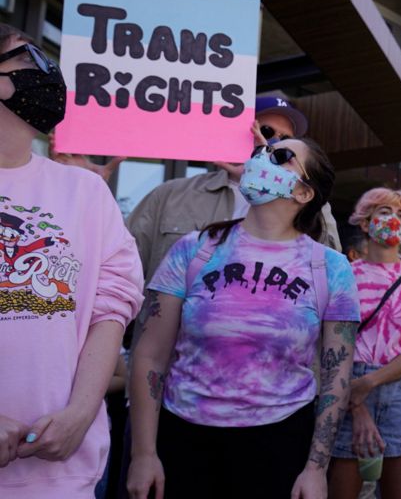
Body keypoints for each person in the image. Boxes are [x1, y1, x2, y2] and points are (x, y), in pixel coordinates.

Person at [126, 137, 359, 498]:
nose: (262, 157)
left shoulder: (330, 267)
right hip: (183, 439)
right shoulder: (193, 248)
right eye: (260, 152)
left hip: (279, 443)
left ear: (303, 193)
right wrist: (143, 454)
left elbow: (336, 377)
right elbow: (150, 354)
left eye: (280, 157)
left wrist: (316, 469)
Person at [0, 24, 145, 498]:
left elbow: (112, 305)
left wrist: (81, 413)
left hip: (59, 472)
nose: (47, 74)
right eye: (29, 60)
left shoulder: (85, 192)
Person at [125, 95, 339, 281]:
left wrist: (304, 194)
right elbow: (121, 270)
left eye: (285, 142)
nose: (269, 143)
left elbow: (330, 270)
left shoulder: (302, 200)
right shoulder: (171, 195)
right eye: (265, 131)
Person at [329, 188, 401, 499]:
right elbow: (332, 345)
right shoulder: (343, 275)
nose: (393, 220)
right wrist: (357, 402)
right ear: (365, 223)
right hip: (346, 389)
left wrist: (370, 382)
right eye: (384, 213)